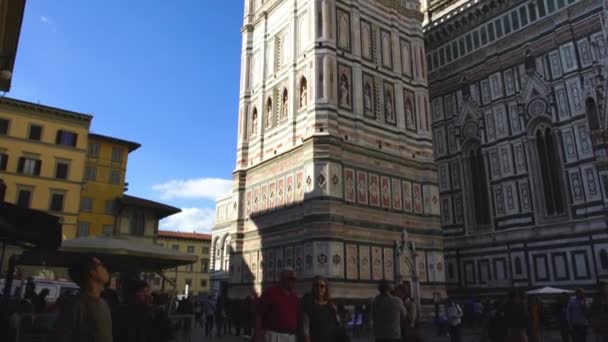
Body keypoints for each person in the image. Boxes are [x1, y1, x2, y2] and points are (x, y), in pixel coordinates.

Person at [54, 255, 113, 342]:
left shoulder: (104, 303)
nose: (106, 269)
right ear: (92, 272)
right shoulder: (74, 305)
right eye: (102, 265)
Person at [255, 267, 298, 342]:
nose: (293, 282)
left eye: (294, 279)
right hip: (274, 336)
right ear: (282, 279)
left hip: (290, 337)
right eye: (290, 279)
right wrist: (258, 335)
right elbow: (259, 314)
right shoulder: (270, 293)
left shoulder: (294, 297)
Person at [301, 276, 342, 342]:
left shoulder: (331, 306)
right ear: (313, 288)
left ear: (326, 288)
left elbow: (338, 326)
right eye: (316, 285)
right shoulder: (308, 305)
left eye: (322, 286)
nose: (319, 288)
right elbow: (306, 329)